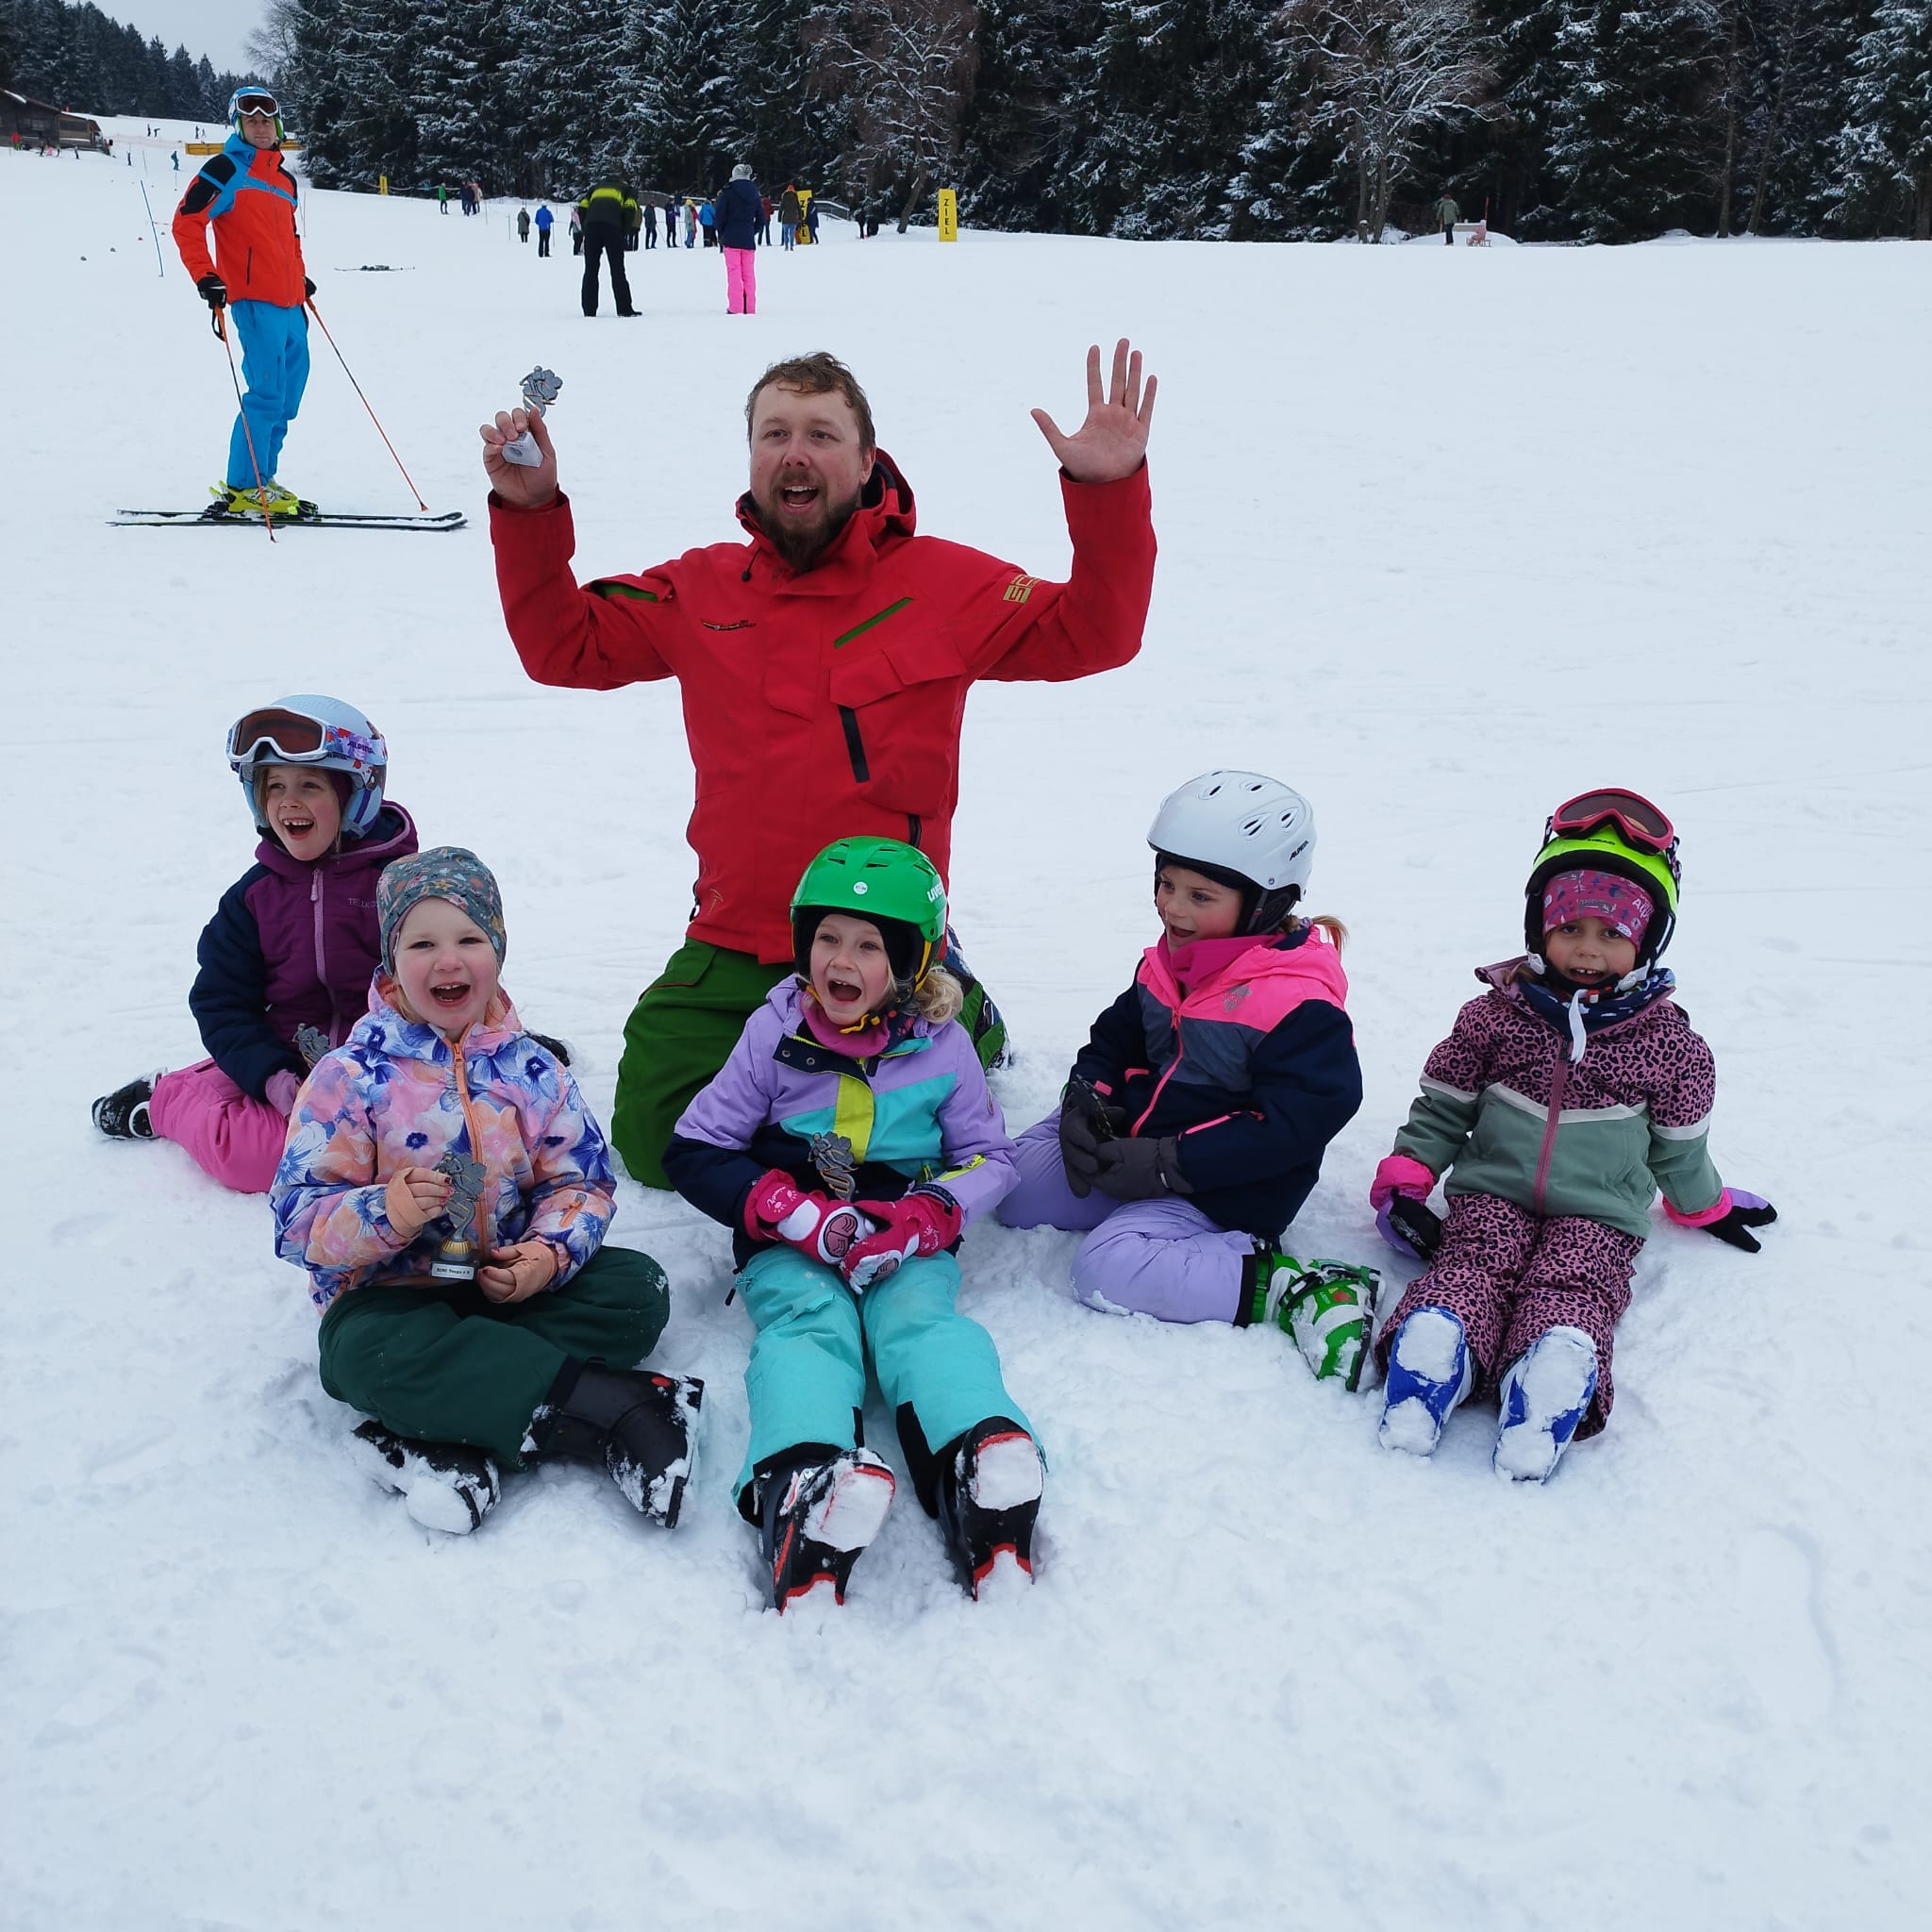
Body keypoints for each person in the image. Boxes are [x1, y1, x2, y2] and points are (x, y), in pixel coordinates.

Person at [478, 341, 1158, 1190]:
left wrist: (1108, 490)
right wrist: (531, 511)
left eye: (821, 435)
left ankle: (955, 1001)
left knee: (897, 1144)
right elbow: (563, 646)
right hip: (738, 936)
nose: (794, 454)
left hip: (884, 944)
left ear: (867, 461)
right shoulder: (701, 591)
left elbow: (1097, 632)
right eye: (775, 434)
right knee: (656, 1144)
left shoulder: (946, 584)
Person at [271, 845, 704, 1535]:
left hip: (502, 1290)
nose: (448, 960)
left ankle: (452, 1418)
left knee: (635, 1289)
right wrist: (386, 1211)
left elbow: (580, 1182)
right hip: (393, 1303)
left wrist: (544, 1257)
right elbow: (297, 1221)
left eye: (469, 939)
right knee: (360, 1356)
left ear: (497, 951)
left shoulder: (532, 1070)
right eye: (423, 943)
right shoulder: (351, 1077)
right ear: (390, 962)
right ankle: (617, 1408)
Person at [664, 839, 1040, 1608]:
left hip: (903, 1236)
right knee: (812, 1325)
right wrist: (788, 1210)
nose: (841, 959)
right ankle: (802, 1477)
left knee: (920, 1324)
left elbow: (990, 1157)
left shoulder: (944, 1045)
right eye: (827, 937)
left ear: (911, 963)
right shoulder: (774, 1032)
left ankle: (979, 1462)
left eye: (869, 946)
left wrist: (929, 1214)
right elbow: (697, 1147)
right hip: (792, 1237)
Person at [1369, 791, 1778, 1483]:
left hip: (1599, 1212)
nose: (1588, 949)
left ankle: (1549, 1375)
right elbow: (1442, 1108)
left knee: (1579, 1285)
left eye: (1612, 933)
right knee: (1469, 1264)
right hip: (1492, 1191)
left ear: (1647, 941)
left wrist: (1705, 1205)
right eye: (1570, 927)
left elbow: (1680, 1150)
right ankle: (1436, 1352)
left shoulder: (1671, 1048)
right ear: (1539, 926)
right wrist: (1407, 1178)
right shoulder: (1492, 1018)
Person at [998, 772, 1372, 1378]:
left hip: (1220, 1189)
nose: (1172, 907)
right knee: (1008, 1187)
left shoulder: (1296, 1003)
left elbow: (1294, 1124)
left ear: (1265, 903)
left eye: (1201, 896)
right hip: (1136, 1148)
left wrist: (1170, 1163)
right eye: (1167, 884)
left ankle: (1289, 1286)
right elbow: (1115, 1036)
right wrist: (1086, 1099)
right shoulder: (1172, 962)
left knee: (1105, 1270)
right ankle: (1093, 1159)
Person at [92, 697, 417, 1193]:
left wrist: (498, 1048)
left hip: (395, 1062)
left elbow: (457, 966)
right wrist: (272, 1075)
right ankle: (167, 1100)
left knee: (438, 1141)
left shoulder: (404, 884)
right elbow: (222, 1001)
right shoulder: (253, 899)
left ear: (357, 795)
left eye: (309, 786)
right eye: (274, 787)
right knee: (264, 1158)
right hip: (292, 1064)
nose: (288, 802)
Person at [172, 85, 315, 518]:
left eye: (266, 120)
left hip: (291, 306)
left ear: (278, 126)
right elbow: (187, 222)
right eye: (250, 120)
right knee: (266, 394)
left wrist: (299, 278)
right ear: (239, 126)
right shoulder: (225, 168)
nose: (260, 126)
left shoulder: (284, 181)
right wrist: (206, 276)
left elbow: (287, 238)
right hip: (255, 302)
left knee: (287, 399)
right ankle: (243, 485)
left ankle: (262, 479)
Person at [577, 179, 639, 317]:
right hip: (612, 228)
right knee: (617, 270)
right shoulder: (628, 190)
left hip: (592, 228)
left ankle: (589, 310)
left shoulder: (595, 188)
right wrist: (623, 233)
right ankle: (624, 309)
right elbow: (629, 210)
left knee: (590, 270)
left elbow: (582, 208)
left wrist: (586, 228)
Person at [718, 161, 761, 314]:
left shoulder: (727, 192)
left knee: (734, 272)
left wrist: (722, 233)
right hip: (748, 239)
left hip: (731, 238)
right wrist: (751, 231)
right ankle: (750, 307)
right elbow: (761, 219)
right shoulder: (755, 193)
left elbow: (720, 216)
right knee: (749, 273)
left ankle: (736, 307)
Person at [778, 184, 801, 251]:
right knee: (792, 233)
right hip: (794, 219)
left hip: (785, 218)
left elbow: (781, 209)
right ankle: (791, 246)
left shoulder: (784, 198)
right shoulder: (795, 198)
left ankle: (786, 246)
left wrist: (779, 218)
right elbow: (799, 208)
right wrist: (800, 218)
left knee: (785, 233)